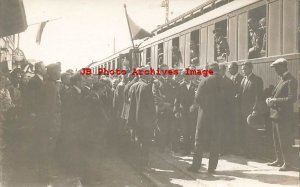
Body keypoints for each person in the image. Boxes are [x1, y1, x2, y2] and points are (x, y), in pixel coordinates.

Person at [187, 63, 223, 174]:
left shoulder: (205, 80)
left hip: (205, 116)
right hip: (218, 117)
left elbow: (198, 98)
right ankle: (212, 167)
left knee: (199, 140)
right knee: (215, 141)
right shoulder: (226, 81)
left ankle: (196, 166)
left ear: (210, 70)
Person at [266, 58, 298, 171]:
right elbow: (277, 95)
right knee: (276, 140)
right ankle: (279, 160)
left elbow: (292, 99)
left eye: (276, 68)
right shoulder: (282, 79)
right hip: (276, 115)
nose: (275, 70)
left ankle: (287, 163)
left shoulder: (291, 80)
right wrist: (270, 99)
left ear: (283, 67)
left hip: (283, 117)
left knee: (284, 140)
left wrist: (274, 101)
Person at [129, 65, 156, 172]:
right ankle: (144, 165)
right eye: (150, 73)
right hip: (146, 122)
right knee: (146, 143)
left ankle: (137, 163)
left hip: (136, 120)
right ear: (146, 74)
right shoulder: (146, 87)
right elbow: (151, 107)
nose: (151, 75)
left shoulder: (134, 85)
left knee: (137, 141)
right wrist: (153, 119)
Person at [238, 61, 264, 158]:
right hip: (243, 110)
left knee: (252, 132)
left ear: (250, 68)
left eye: (245, 69)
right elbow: (240, 95)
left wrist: (255, 110)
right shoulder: (243, 80)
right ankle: (246, 151)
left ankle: (252, 152)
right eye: (242, 69)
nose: (243, 71)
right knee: (244, 131)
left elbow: (258, 96)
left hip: (252, 111)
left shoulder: (257, 80)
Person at [174, 69, 198, 155]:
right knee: (185, 131)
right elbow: (177, 99)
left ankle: (193, 149)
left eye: (187, 76)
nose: (185, 78)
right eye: (184, 76)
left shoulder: (195, 85)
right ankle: (186, 150)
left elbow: (199, 99)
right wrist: (176, 111)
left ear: (190, 76)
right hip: (183, 112)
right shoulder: (180, 86)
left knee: (193, 130)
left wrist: (194, 106)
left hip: (193, 112)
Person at [219, 64, 236, 154]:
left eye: (220, 70)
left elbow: (231, 96)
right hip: (217, 110)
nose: (219, 71)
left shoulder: (228, 81)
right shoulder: (215, 80)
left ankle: (224, 149)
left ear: (224, 71)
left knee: (224, 130)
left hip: (225, 110)